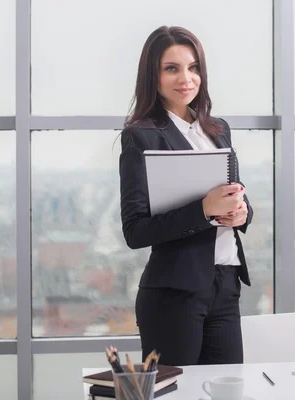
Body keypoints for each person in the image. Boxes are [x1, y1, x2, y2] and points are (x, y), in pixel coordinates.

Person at [118, 25, 253, 367]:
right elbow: (135, 231)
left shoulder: (217, 129)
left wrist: (241, 213)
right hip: (173, 294)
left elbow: (234, 193)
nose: (186, 78)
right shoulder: (142, 137)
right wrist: (204, 210)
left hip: (225, 283)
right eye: (172, 68)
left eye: (193, 68)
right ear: (153, 75)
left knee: (227, 391)